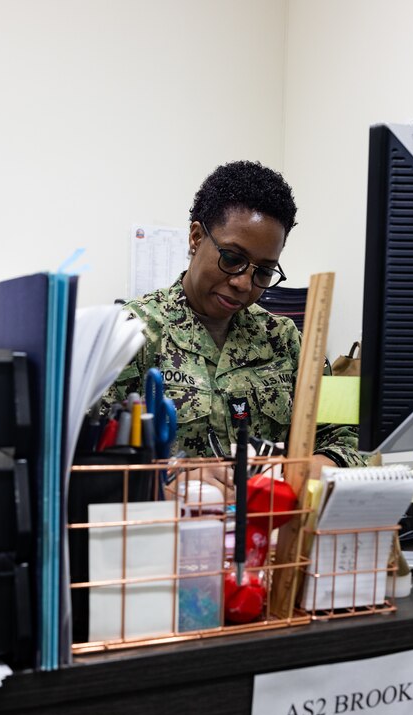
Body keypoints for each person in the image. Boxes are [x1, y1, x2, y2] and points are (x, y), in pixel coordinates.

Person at [106, 160, 366, 488]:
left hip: (268, 529)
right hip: (168, 532)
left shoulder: (287, 340)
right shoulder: (127, 334)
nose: (244, 283)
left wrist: (322, 463)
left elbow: (350, 436)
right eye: (231, 259)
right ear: (196, 237)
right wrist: (171, 477)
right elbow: (85, 460)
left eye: (263, 272)